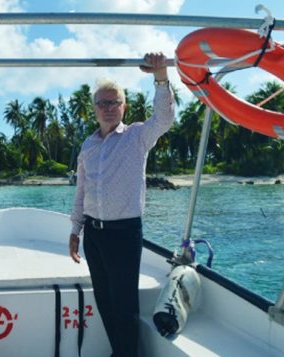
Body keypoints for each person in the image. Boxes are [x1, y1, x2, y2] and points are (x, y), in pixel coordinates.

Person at [68, 52, 174, 357]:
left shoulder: (137, 136)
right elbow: (81, 193)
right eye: (103, 103)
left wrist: (161, 77)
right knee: (104, 303)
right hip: (94, 236)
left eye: (114, 102)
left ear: (124, 106)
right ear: (94, 109)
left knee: (124, 307)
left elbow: (165, 117)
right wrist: (76, 230)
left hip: (124, 234)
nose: (109, 108)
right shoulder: (88, 146)